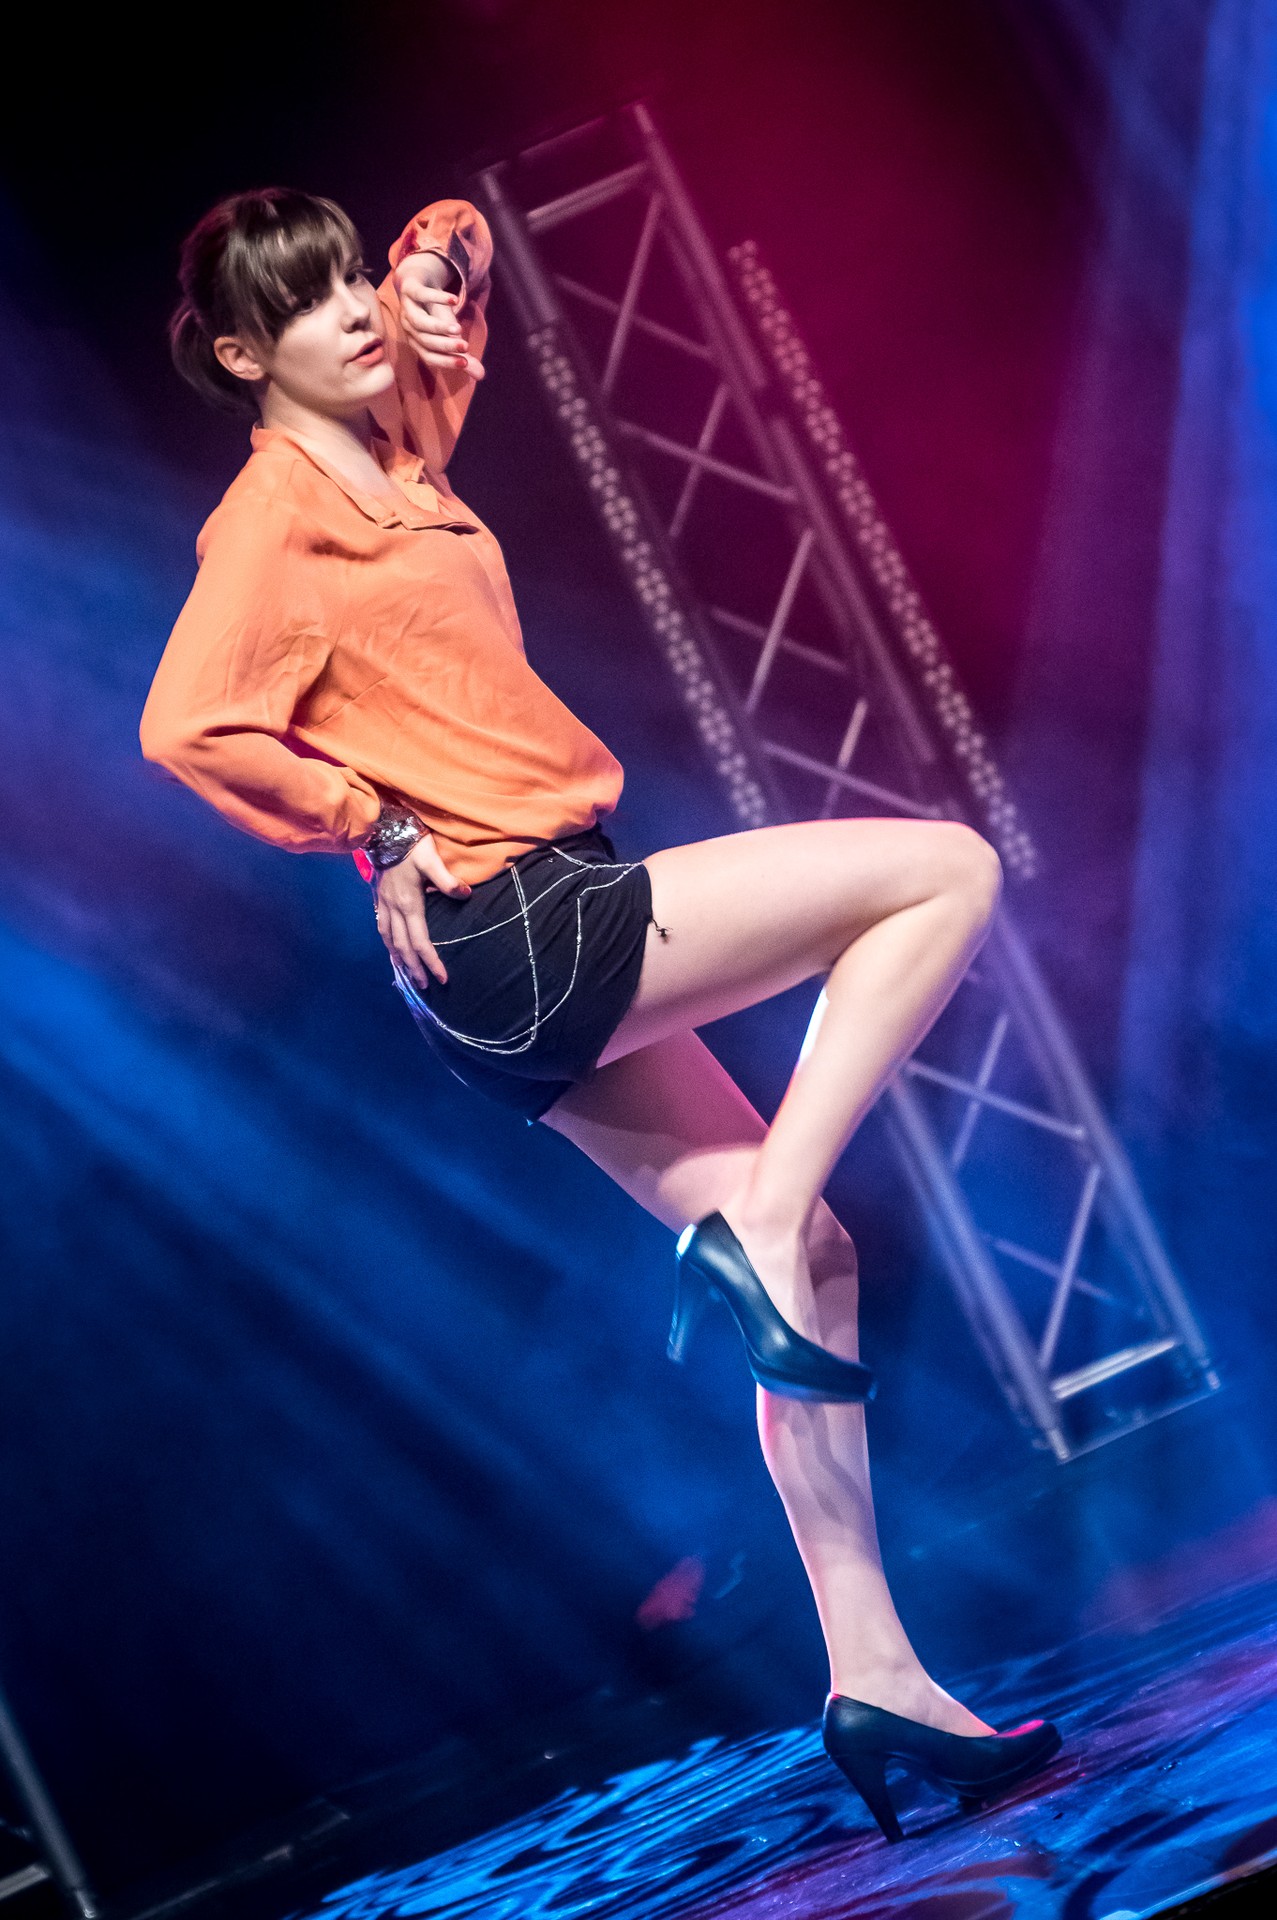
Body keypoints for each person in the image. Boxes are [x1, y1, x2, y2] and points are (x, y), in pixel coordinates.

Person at [140, 185, 1061, 1841]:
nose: (351, 311)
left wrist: (430, 263)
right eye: (309, 303)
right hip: (515, 923)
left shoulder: (401, 445)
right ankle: (754, 1227)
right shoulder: (271, 517)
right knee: (943, 873)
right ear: (241, 358)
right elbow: (187, 724)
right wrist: (373, 826)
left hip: (516, 949)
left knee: (820, 1266)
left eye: (348, 279)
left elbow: (454, 229)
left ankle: (874, 1675)